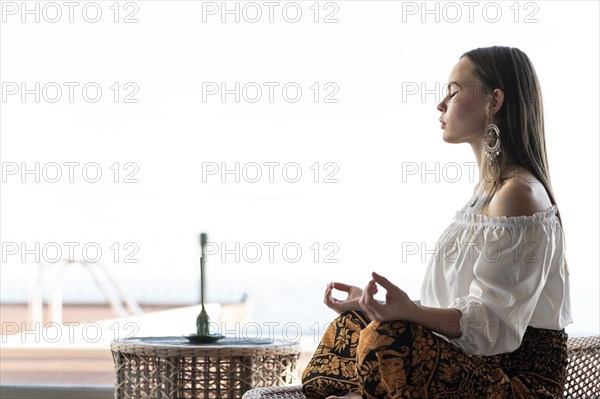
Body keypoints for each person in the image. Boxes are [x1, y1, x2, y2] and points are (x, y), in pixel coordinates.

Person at [301, 46, 573, 399]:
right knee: (351, 327)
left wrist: (409, 314)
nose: (441, 105)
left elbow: (491, 328)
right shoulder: (485, 196)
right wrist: (377, 307)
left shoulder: (518, 193)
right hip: (470, 358)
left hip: (513, 378)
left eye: (454, 92)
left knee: (387, 338)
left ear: (495, 101)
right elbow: (459, 310)